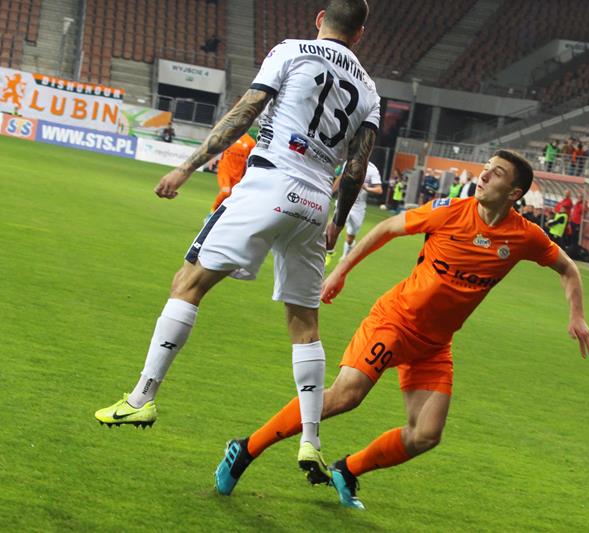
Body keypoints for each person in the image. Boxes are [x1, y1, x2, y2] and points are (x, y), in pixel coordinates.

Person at [94, 0, 380, 485]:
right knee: (305, 323)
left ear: (320, 18)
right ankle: (311, 437)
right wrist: (335, 221)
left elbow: (246, 111)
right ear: (360, 34)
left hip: (270, 182)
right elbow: (356, 164)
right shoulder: (370, 89)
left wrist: (187, 166)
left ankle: (142, 397)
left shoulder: (292, 51)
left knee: (188, 283)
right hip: (315, 204)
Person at [213, 149, 589, 508]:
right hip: (395, 321)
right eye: (485, 169)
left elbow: (568, 269)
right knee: (346, 396)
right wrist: (342, 271)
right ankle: (245, 449)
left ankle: (347, 470)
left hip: (434, 345)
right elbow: (388, 228)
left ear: (514, 193)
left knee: (426, 434)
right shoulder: (449, 212)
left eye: (495, 174)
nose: (482, 177)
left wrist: (577, 315)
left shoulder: (525, 236)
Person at [333, 161, 383, 260]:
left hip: (358, 208)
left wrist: (367, 188)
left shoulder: (372, 169)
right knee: (335, 227)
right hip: (343, 201)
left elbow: (379, 190)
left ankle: (345, 256)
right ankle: (329, 251)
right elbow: (341, 178)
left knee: (351, 235)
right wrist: (331, 191)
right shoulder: (349, 162)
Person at [209, 132, 256, 214]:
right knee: (225, 191)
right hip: (224, 170)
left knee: (231, 198)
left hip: (238, 174)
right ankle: (212, 212)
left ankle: (219, 216)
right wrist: (212, 158)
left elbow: (253, 158)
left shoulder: (250, 142)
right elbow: (218, 146)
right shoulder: (230, 136)